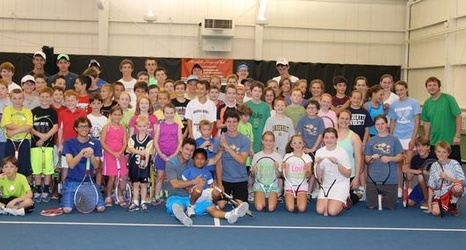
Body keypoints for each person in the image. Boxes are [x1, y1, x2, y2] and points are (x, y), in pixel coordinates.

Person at [166, 137, 249, 227]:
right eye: (186, 149)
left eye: (191, 150)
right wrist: (194, 181)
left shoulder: (193, 161)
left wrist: (220, 150)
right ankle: (183, 217)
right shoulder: (171, 163)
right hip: (176, 197)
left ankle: (229, 215)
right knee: (176, 206)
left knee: (211, 208)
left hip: (195, 199)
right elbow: (175, 184)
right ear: (181, 148)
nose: (188, 152)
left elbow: (213, 161)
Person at [61, 117, 105, 214]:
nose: (84, 129)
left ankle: (83, 197)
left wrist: (91, 155)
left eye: (86, 126)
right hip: (72, 182)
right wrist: (81, 153)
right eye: (81, 126)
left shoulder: (96, 143)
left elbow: (97, 166)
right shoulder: (68, 143)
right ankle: (72, 196)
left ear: (90, 128)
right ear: (76, 128)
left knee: (101, 208)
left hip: (88, 183)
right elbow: (71, 165)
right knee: (67, 210)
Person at [387, 81, 421, 198]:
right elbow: (392, 122)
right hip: (397, 137)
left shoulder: (414, 103)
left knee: (408, 163)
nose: (400, 92)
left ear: (406, 89)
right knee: (399, 164)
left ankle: (409, 187)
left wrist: (413, 139)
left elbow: (417, 121)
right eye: (397, 90)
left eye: (401, 89)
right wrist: (391, 137)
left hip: (409, 137)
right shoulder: (394, 105)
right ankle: (399, 188)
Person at [364, 115, 403, 210]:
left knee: (390, 207)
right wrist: (372, 157)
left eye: (382, 123)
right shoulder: (371, 141)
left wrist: (390, 159)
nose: (380, 126)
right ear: (375, 126)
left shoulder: (394, 139)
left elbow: (400, 157)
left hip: (390, 180)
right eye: (377, 124)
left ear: (387, 124)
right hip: (373, 180)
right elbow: (366, 160)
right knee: (371, 206)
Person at [421, 76, 462, 164]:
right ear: (427, 88)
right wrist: (426, 139)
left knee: (454, 169)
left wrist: (457, 135)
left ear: (439, 87)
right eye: (429, 85)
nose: (432, 87)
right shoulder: (427, 103)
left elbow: (458, 116)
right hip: (434, 142)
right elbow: (426, 122)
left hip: (450, 141)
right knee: (436, 169)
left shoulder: (448, 99)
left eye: (434, 85)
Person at [214, 110, 251, 207]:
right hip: (225, 179)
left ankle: (235, 201)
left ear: (238, 123)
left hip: (240, 179)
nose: (231, 124)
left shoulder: (245, 139)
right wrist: (219, 183)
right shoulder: (219, 140)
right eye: (229, 121)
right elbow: (218, 164)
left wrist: (227, 147)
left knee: (239, 206)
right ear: (225, 123)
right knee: (221, 205)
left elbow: (242, 160)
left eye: (234, 121)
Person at [315, 128, 351, 216]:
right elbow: (318, 176)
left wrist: (337, 163)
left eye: (332, 137)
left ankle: (346, 198)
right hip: (326, 185)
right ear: (323, 139)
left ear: (336, 139)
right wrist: (318, 165)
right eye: (326, 137)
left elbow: (348, 174)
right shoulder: (319, 152)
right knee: (320, 210)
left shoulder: (342, 152)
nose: (329, 140)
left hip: (340, 184)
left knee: (332, 211)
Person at [30, 87, 58, 203]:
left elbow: (55, 127)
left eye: (47, 97)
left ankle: (46, 190)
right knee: (36, 170)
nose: (45, 99)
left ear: (50, 98)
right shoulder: (34, 111)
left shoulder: (53, 111)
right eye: (42, 97)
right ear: (39, 97)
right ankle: (37, 190)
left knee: (48, 170)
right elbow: (30, 128)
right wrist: (40, 136)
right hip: (35, 145)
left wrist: (46, 137)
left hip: (48, 145)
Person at [153, 103, 183, 205]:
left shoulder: (177, 126)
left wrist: (174, 155)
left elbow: (180, 142)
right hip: (162, 155)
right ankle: (157, 196)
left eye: (171, 113)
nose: (169, 115)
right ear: (164, 113)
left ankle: (171, 195)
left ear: (174, 113)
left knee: (172, 177)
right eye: (167, 113)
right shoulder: (159, 126)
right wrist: (161, 154)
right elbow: (156, 141)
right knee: (160, 175)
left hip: (173, 156)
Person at [1, 89, 33, 181]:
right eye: (14, 98)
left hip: (24, 141)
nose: (17, 100)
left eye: (20, 98)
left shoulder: (27, 111)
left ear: (23, 99)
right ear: (10, 99)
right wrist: (22, 128)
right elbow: (7, 124)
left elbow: (29, 127)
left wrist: (13, 132)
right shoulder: (7, 110)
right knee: (9, 165)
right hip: (10, 141)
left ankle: (24, 187)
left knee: (24, 165)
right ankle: (9, 186)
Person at [427, 141, 465, 216]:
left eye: (444, 152)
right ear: (435, 152)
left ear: (448, 153)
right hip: (441, 193)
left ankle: (453, 203)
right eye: (439, 151)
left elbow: (463, 182)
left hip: (453, 190)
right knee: (435, 212)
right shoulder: (434, 166)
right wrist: (429, 205)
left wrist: (447, 178)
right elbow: (431, 186)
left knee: (458, 188)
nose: (441, 154)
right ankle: (447, 205)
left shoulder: (454, 164)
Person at [100, 105, 128, 207]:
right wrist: (113, 153)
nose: (117, 117)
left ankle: (119, 196)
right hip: (109, 155)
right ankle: (108, 196)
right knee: (112, 178)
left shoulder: (123, 127)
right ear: (110, 115)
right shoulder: (106, 127)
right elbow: (102, 142)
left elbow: (125, 142)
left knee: (121, 177)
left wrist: (120, 152)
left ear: (122, 116)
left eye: (119, 115)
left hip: (120, 155)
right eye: (115, 115)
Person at [57, 90, 87, 180]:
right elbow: (60, 129)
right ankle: (65, 187)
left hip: (79, 143)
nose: (70, 103)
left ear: (77, 101)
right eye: (68, 100)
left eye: (72, 100)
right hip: (67, 144)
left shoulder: (82, 113)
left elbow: (85, 129)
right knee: (65, 167)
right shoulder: (62, 113)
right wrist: (60, 144)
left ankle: (79, 186)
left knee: (79, 166)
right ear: (64, 102)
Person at [336, 110, 363, 207]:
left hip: (348, 174)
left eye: (347, 119)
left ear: (350, 121)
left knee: (344, 204)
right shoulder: (331, 135)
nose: (344, 121)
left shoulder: (355, 137)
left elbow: (358, 158)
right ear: (337, 120)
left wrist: (356, 178)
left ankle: (357, 195)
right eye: (342, 118)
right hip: (333, 173)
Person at [126, 116, 153, 212]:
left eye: (144, 126)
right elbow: (130, 149)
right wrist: (140, 152)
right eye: (140, 126)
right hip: (134, 165)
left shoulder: (149, 140)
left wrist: (145, 164)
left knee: (144, 184)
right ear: (136, 126)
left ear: (148, 126)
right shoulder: (133, 138)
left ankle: (143, 202)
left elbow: (148, 153)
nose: (142, 128)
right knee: (135, 184)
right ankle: (135, 201)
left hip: (143, 166)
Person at [251, 132, 282, 212]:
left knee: (271, 208)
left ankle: (270, 197)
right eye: (266, 140)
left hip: (272, 186)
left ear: (274, 142)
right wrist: (254, 170)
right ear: (262, 141)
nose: (268, 143)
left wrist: (277, 168)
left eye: (271, 141)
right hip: (259, 185)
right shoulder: (257, 156)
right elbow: (252, 175)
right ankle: (260, 196)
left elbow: (279, 175)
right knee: (259, 207)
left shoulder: (278, 156)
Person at [281, 134, 313, 213]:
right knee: (291, 208)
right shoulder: (287, 157)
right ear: (291, 145)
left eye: (300, 142)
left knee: (301, 209)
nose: (297, 145)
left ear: (303, 144)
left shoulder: (307, 158)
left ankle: (302, 197)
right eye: (294, 143)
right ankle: (291, 197)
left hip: (302, 187)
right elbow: (283, 175)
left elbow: (309, 175)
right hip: (289, 187)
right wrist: (283, 169)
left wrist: (307, 171)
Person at [181, 148, 216, 217]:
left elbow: (211, 185)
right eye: (197, 158)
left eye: (202, 159)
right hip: (194, 194)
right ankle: (190, 207)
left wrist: (215, 187)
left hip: (205, 193)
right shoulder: (188, 171)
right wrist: (188, 189)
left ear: (205, 161)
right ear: (193, 159)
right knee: (198, 189)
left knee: (217, 192)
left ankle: (212, 203)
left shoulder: (207, 172)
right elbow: (184, 184)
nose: (199, 161)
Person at [405, 137, 437, 209]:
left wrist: (415, 171)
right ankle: (427, 197)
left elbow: (432, 173)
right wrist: (407, 163)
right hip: (423, 185)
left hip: (436, 185)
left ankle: (427, 200)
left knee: (420, 176)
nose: (420, 148)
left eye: (423, 146)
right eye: (418, 146)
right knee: (410, 202)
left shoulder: (434, 156)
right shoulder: (415, 159)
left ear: (428, 147)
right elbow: (409, 177)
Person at [0, 79, 11, 162]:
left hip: (7, 138)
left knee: (4, 161)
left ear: (7, 90)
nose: (0, 91)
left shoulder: (12, 102)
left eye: (2, 88)